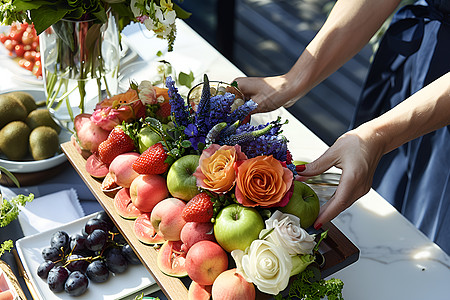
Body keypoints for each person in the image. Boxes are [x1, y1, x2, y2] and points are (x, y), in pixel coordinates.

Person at [235, 0, 450, 254]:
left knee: (430, 247)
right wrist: (294, 80)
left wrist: (379, 136)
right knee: (371, 217)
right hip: (413, 55)